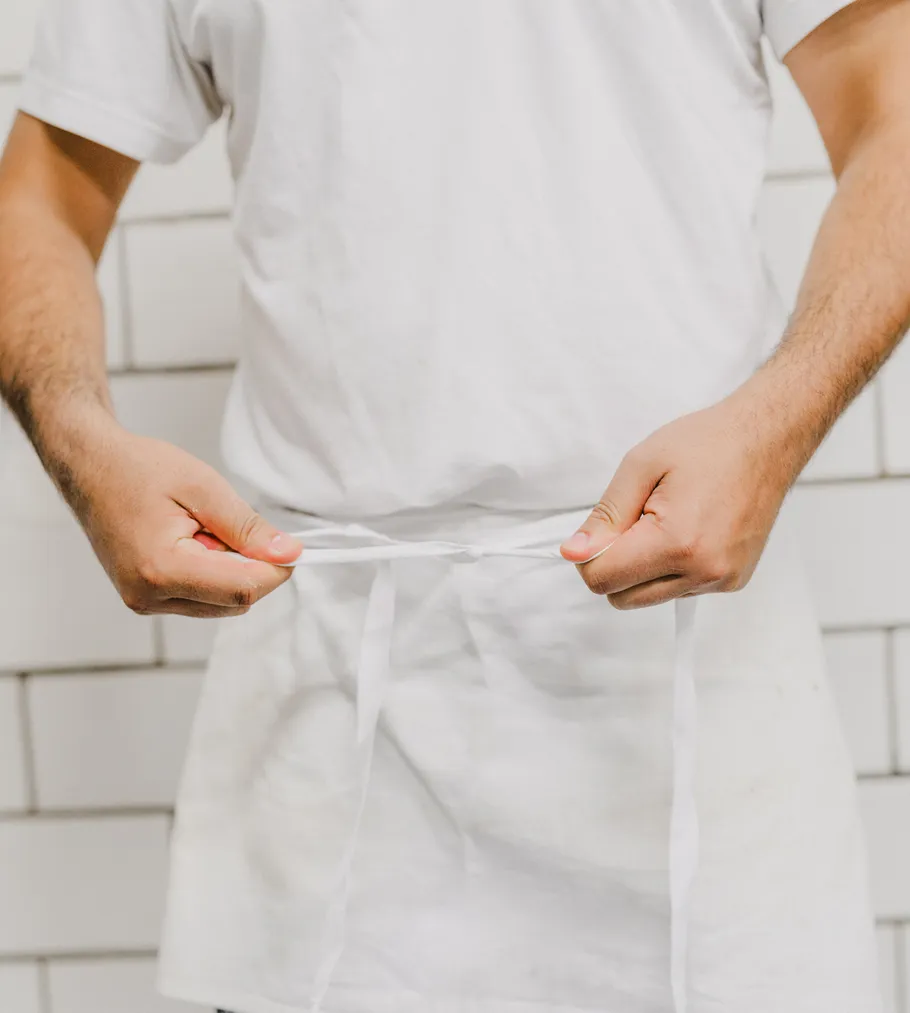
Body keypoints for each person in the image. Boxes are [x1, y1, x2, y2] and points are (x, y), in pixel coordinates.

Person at [1, 0, 906, 1009]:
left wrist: (773, 425)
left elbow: (894, 106)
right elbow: (39, 195)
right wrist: (83, 446)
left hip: (697, 708)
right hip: (327, 724)